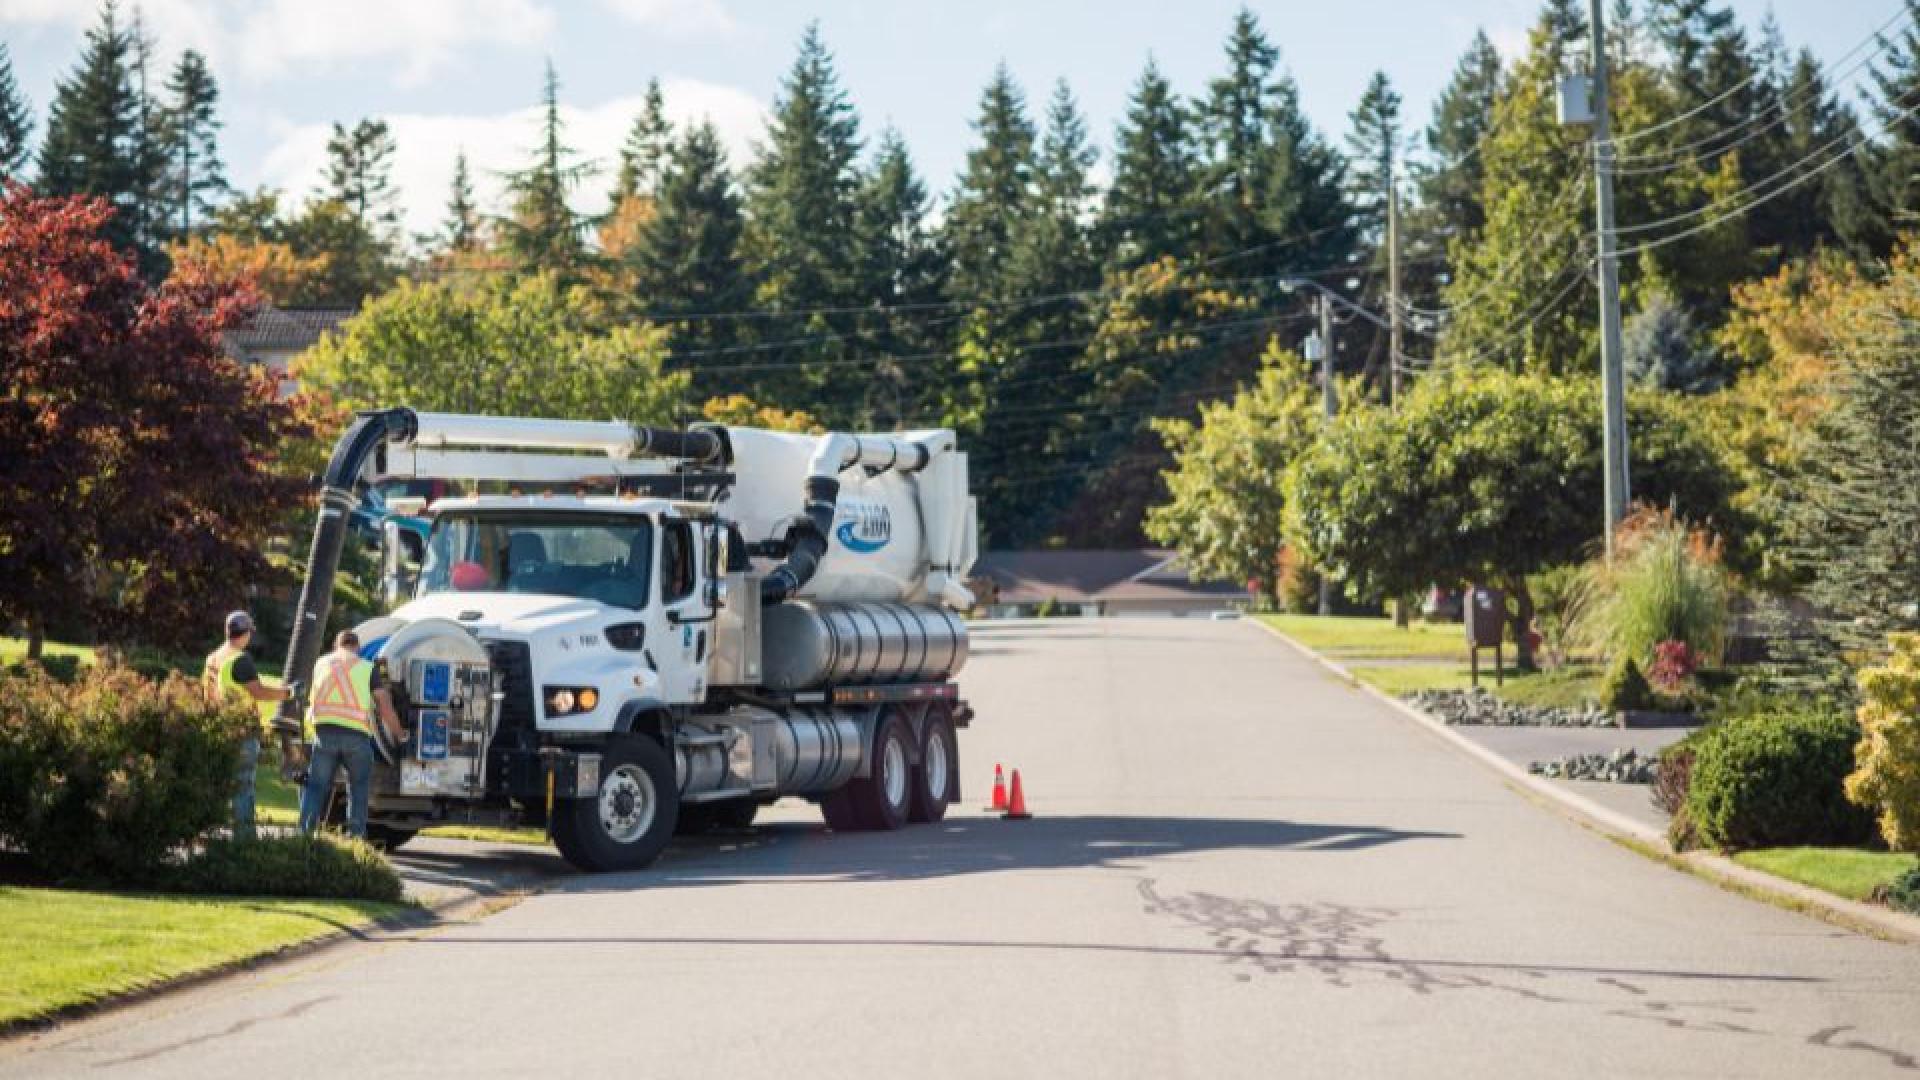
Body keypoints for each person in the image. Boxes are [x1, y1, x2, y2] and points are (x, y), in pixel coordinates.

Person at [299, 630, 406, 838]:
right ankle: (355, 841)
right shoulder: (367, 668)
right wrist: (400, 735)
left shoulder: (321, 664)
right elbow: (384, 707)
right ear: (357, 647)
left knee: (316, 787)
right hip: (356, 737)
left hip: (324, 735)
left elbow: (312, 701)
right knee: (358, 790)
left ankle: (304, 837)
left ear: (335, 647)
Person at [204, 611, 289, 841]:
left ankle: (217, 839)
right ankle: (244, 843)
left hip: (220, 727)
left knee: (224, 786)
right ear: (247, 633)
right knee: (243, 786)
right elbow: (258, 692)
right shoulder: (241, 659)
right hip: (242, 730)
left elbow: (208, 695)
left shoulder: (213, 657)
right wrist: (288, 693)